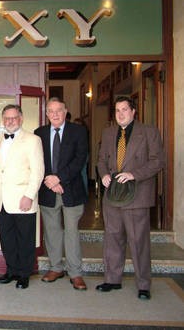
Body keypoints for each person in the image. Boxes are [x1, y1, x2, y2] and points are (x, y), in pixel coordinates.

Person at [96, 96, 165, 300]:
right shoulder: (108, 133)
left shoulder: (149, 132)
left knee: (138, 241)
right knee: (112, 238)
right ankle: (112, 279)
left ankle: (143, 284)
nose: (120, 114)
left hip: (137, 194)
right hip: (113, 195)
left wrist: (134, 174)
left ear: (134, 111)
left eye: (124, 109)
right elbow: (101, 160)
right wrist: (104, 175)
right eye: (117, 110)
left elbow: (157, 161)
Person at [34, 98, 88, 291]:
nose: (55, 114)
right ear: (46, 113)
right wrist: (50, 180)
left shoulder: (78, 131)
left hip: (71, 189)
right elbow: (38, 161)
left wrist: (59, 179)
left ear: (65, 112)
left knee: (72, 231)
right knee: (52, 231)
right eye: (51, 111)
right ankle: (56, 267)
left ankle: (75, 273)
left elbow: (79, 159)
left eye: (59, 110)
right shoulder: (39, 133)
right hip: (48, 190)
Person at [0, 104, 44, 289]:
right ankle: (11, 270)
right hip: (1, 200)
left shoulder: (33, 140)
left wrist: (29, 195)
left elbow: (38, 171)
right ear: (2, 120)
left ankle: (24, 274)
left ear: (21, 119)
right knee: (7, 239)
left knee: (25, 238)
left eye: (13, 118)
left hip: (23, 198)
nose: (10, 121)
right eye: (6, 118)